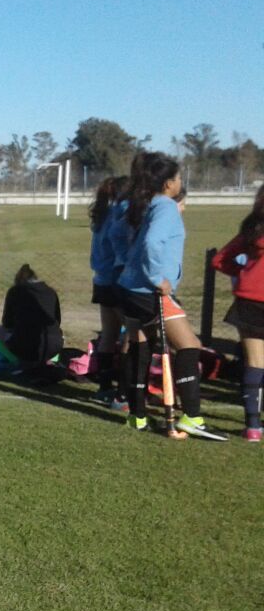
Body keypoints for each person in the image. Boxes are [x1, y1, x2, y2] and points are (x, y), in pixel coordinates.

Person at [117, 151, 219, 439]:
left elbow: (118, 236)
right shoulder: (165, 206)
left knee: (140, 347)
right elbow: (152, 242)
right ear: (168, 183)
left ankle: (137, 416)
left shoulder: (141, 204)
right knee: (189, 346)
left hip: (129, 288)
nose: (180, 182)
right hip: (148, 290)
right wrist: (156, 278)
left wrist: (127, 265)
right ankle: (192, 417)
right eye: (178, 178)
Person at [211, 183, 264, 441]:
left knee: (254, 363)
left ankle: (252, 426)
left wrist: (244, 273)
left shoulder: (252, 228)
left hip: (248, 300)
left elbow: (219, 260)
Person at [88, 176, 130, 408]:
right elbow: (119, 247)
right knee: (130, 336)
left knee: (109, 334)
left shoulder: (103, 214)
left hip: (102, 281)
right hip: (117, 280)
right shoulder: (120, 214)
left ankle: (104, 388)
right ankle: (123, 393)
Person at [0, 264, 63, 379]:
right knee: (56, 336)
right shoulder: (51, 292)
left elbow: (7, 323)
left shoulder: (15, 291)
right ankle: (50, 362)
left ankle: (9, 364)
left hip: (26, 345)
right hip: (54, 346)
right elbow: (57, 320)